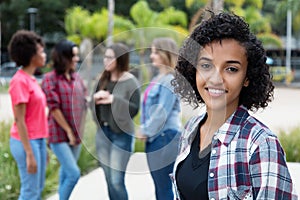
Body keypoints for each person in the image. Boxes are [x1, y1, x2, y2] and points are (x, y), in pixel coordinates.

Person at [170, 12, 298, 199]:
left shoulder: (261, 144)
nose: (215, 79)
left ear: (247, 78)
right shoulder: (190, 129)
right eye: (206, 66)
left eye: (231, 69)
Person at [92, 43, 140, 200]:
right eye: (105, 57)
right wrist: (95, 99)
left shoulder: (130, 81)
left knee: (116, 180)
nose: (105, 60)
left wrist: (113, 99)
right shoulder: (102, 80)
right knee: (108, 179)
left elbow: (134, 108)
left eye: (110, 57)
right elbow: (92, 106)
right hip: (103, 133)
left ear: (120, 59)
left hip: (121, 134)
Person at [41, 40, 87, 200]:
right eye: (73, 56)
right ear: (64, 57)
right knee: (73, 174)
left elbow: (83, 103)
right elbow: (54, 108)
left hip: (76, 133)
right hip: (59, 134)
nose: (76, 59)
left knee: (65, 174)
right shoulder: (50, 79)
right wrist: (68, 131)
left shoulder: (77, 78)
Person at [138, 37, 182, 200]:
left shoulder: (170, 80)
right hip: (156, 139)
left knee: (164, 189)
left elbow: (162, 112)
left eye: (156, 52)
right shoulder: (158, 79)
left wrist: (145, 130)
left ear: (165, 54)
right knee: (160, 187)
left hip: (166, 138)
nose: (152, 56)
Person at [8, 30, 48, 200]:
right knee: (30, 192)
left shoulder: (31, 79)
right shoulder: (19, 81)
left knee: (36, 190)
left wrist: (42, 145)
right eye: (41, 52)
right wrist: (29, 153)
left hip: (37, 140)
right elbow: (20, 120)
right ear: (32, 56)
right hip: (26, 141)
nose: (44, 55)